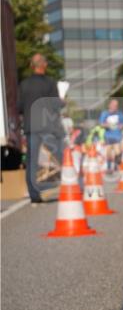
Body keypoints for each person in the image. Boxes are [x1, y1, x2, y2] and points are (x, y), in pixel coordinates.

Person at [17, 53, 63, 204]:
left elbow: (19, 107)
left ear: (31, 66)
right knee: (57, 157)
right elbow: (55, 105)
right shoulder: (50, 83)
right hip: (47, 127)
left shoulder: (24, 84)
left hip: (31, 127)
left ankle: (34, 195)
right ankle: (62, 186)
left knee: (32, 161)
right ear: (45, 65)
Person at [98, 99, 123, 173]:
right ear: (109, 105)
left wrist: (121, 126)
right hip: (108, 136)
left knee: (117, 152)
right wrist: (108, 125)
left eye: (116, 106)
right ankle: (109, 167)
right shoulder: (105, 113)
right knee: (108, 152)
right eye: (113, 105)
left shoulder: (120, 114)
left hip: (117, 136)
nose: (114, 107)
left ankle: (116, 166)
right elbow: (101, 123)